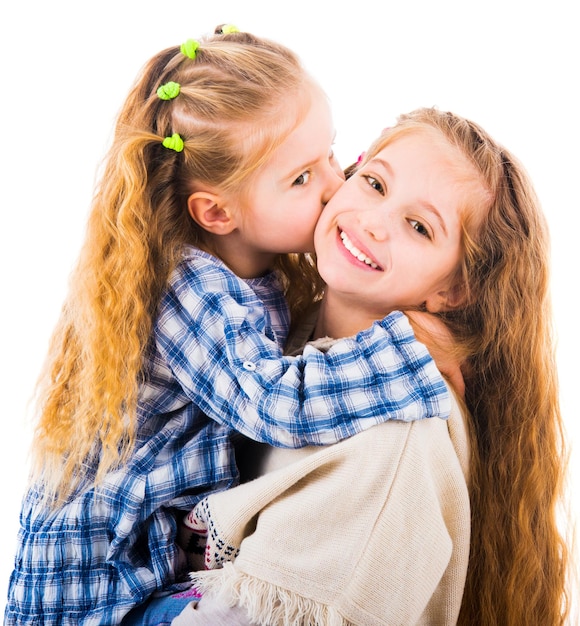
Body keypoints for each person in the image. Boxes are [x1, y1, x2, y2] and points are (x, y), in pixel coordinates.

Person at [4, 29, 454, 626]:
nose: (333, 185)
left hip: (146, 564)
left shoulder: (260, 267)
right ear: (217, 212)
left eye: (332, 154)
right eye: (301, 178)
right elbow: (277, 402)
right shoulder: (189, 289)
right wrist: (409, 349)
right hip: (99, 589)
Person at [162, 108, 571, 626]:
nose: (374, 223)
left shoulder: (396, 441)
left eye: (420, 227)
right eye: (375, 183)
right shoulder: (277, 329)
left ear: (453, 290)